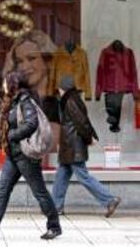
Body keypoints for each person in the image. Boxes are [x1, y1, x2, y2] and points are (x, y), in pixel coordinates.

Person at [0, 71, 62, 240]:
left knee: (39, 192)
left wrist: (12, 134)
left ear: (13, 84)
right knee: (2, 191)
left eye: (6, 82)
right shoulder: (12, 101)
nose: (3, 85)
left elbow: (31, 123)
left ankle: (54, 226)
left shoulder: (25, 101)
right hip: (13, 156)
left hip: (25, 155)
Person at [52, 75, 122, 217]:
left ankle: (109, 199)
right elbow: (84, 120)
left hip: (72, 147)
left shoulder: (70, 100)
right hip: (69, 147)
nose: (58, 91)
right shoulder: (74, 99)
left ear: (63, 89)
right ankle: (56, 207)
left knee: (83, 176)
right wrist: (91, 136)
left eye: (59, 88)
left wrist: (89, 137)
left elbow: (82, 122)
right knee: (61, 175)